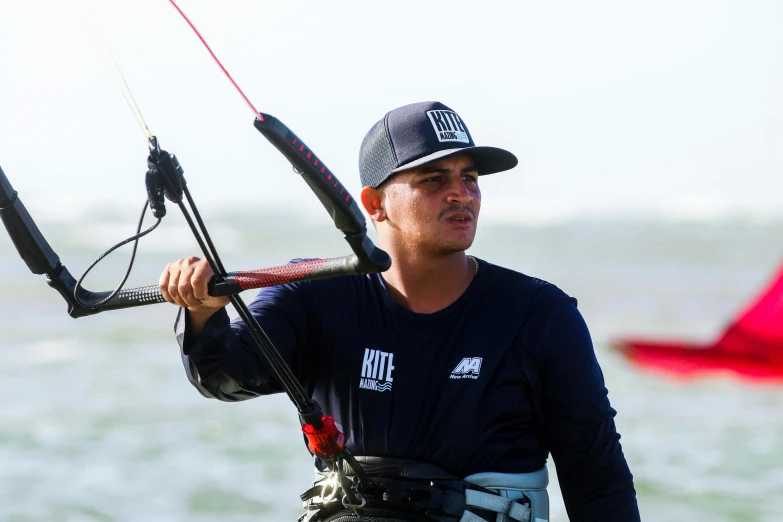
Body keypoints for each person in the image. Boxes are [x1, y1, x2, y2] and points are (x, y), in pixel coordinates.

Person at [161, 101, 641, 521]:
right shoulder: (312, 293)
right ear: (374, 204)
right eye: (433, 179)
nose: (461, 193)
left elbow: (596, 477)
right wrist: (204, 314)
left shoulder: (540, 315)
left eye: (469, 178)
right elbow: (227, 377)